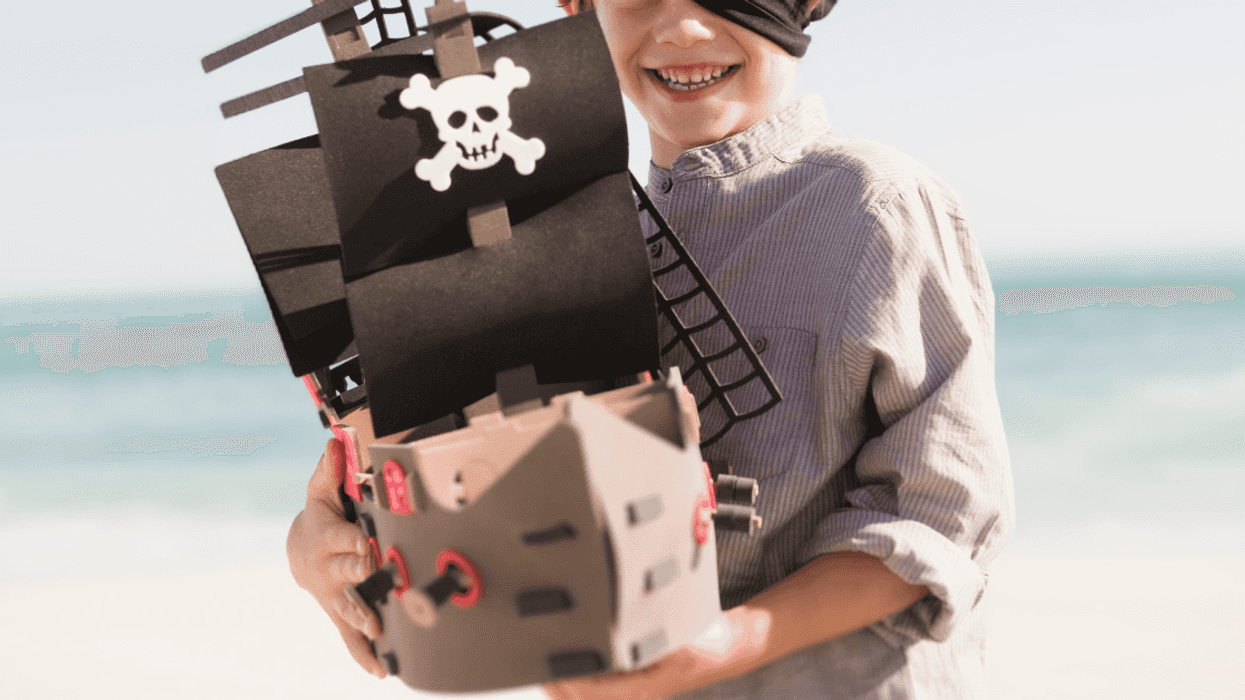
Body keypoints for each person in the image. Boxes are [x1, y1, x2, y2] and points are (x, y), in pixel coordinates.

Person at [286, 0, 1016, 698]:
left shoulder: (877, 207)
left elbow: (942, 512)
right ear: (579, 12)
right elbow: (485, 478)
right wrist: (331, 538)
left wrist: (727, 642)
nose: (684, 26)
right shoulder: (557, 248)